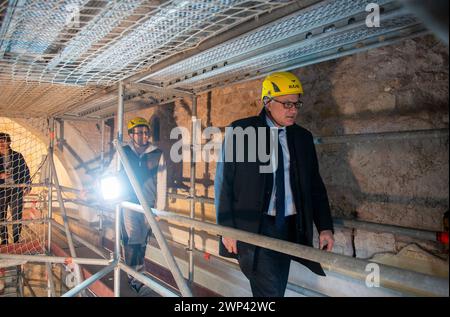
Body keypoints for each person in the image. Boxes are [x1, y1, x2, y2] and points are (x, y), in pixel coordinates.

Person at [214, 72, 334, 297]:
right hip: (256, 227)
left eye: (296, 103)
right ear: (268, 102)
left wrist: (325, 227)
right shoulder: (242, 132)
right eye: (287, 104)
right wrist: (225, 229)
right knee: (270, 290)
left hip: (291, 226)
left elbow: (315, 186)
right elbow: (224, 184)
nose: (293, 110)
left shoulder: (302, 137)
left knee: (275, 287)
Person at [115, 117, 167, 296]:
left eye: (146, 132)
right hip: (128, 202)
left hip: (148, 205)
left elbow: (161, 181)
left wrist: (160, 207)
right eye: (139, 132)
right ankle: (135, 277)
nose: (144, 136)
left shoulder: (157, 153)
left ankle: (138, 273)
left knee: (142, 240)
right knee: (132, 239)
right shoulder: (122, 152)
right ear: (131, 134)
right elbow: (110, 171)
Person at [0, 132, 31, 245]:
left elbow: (25, 171)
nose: (1, 144)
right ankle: (4, 241)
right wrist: (0, 175)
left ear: (8, 142)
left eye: (3, 141)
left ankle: (17, 240)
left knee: (16, 216)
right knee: (1, 217)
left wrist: (28, 184)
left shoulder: (17, 156)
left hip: (15, 190)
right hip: (1, 191)